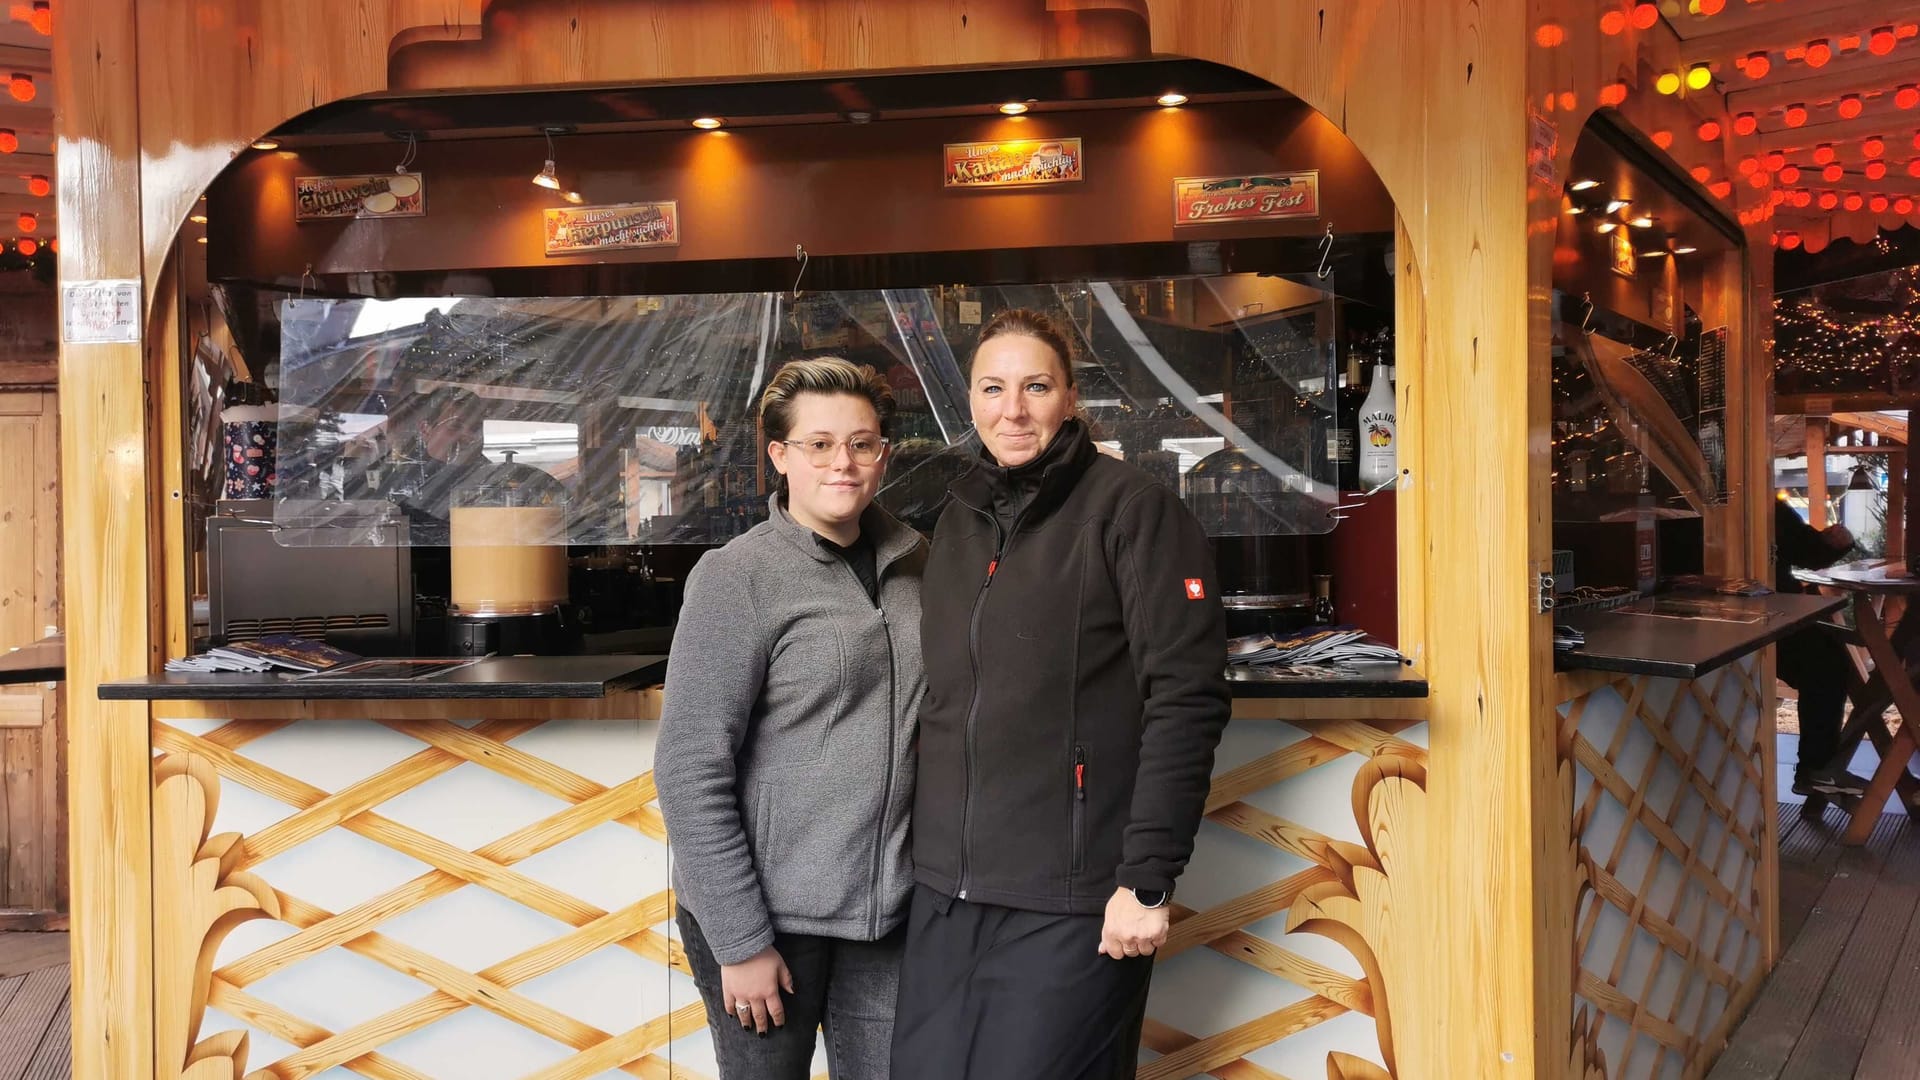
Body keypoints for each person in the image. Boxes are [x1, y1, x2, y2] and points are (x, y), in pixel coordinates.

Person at [892, 309, 1231, 1079]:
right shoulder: (959, 519)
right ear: (971, 401)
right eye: (993, 388)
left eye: (1035, 386)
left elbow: (1187, 697)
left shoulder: (1133, 510)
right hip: (948, 894)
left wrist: (1146, 880)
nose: (1013, 410)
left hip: (1073, 898)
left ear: (1070, 397)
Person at [656, 357, 926, 1080]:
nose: (843, 462)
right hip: (769, 919)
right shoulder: (735, 577)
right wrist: (740, 941)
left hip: (887, 917)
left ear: (883, 454)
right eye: (819, 443)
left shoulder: (917, 562)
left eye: (863, 443)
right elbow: (689, 767)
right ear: (779, 455)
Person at [1774, 495, 1864, 797]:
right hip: (1759, 616)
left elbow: (1806, 550)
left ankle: (1818, 770)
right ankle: (1817, 769)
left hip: (1772, 612)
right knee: (1825, 664)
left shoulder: (1765, 502)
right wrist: (1832, 545)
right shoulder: (1757, 496)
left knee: (1825, 661)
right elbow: (1806, 550)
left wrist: (1832, 544)